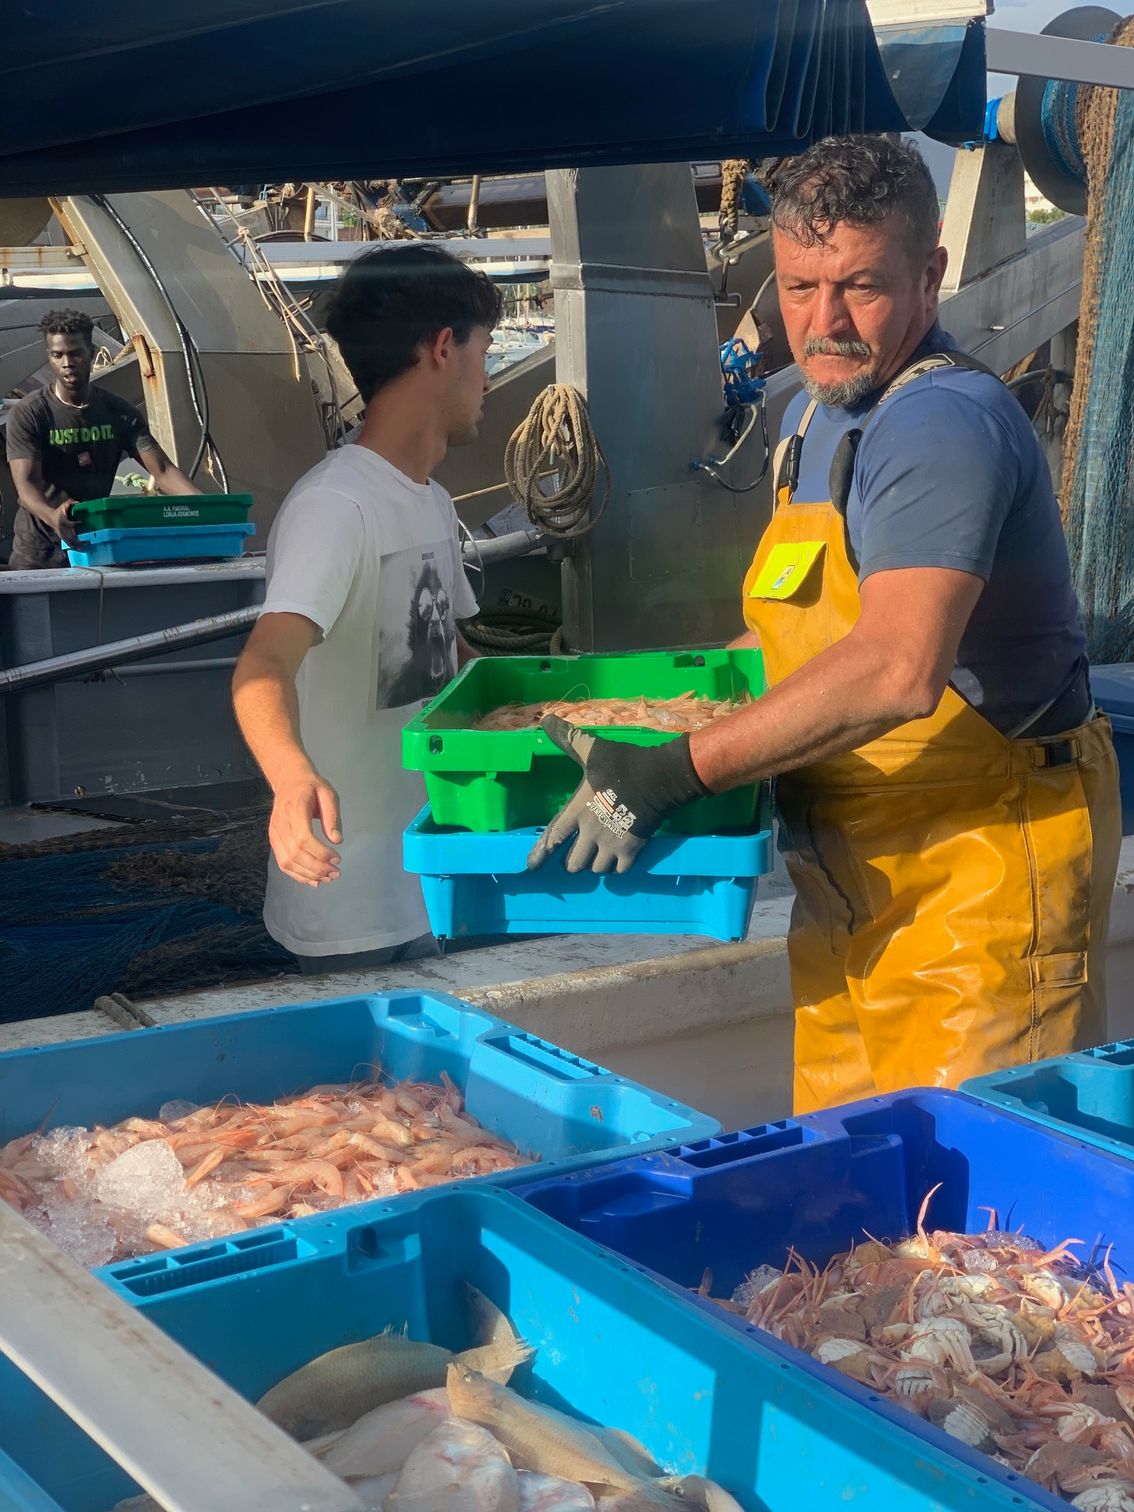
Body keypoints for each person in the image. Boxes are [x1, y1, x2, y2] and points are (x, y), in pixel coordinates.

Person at [530, 135, 1121, 1114]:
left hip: (974, 885)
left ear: (929, 276)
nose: (825, 322)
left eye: (861, 286)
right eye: (801, 288)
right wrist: (649, 714)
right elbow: (796, 641)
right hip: (849, 885)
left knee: (973, 1192)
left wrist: (676, 772)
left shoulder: (941, 425)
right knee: (851, 1167)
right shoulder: (815, 418)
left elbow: (896, 668)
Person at [232, 244, 497, 974]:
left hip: (430, 881)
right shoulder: (335, 506)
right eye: (484, 352)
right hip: (347, 904)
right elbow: (262, 664)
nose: (487, 380)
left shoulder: (432, 501)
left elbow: (446, 658)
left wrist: (545, 709)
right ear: (442, 348)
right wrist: (291, 782)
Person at [4, 309, 201, 568]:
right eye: (57, 355)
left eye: (75, 353)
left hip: (94, 546)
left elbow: (163, 470)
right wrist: (52, 516)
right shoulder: (30, 413)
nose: (66, 362)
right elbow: (27, 485)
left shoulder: (118, 412)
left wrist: (209, 509)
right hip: (39, 554)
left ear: (91, 352)